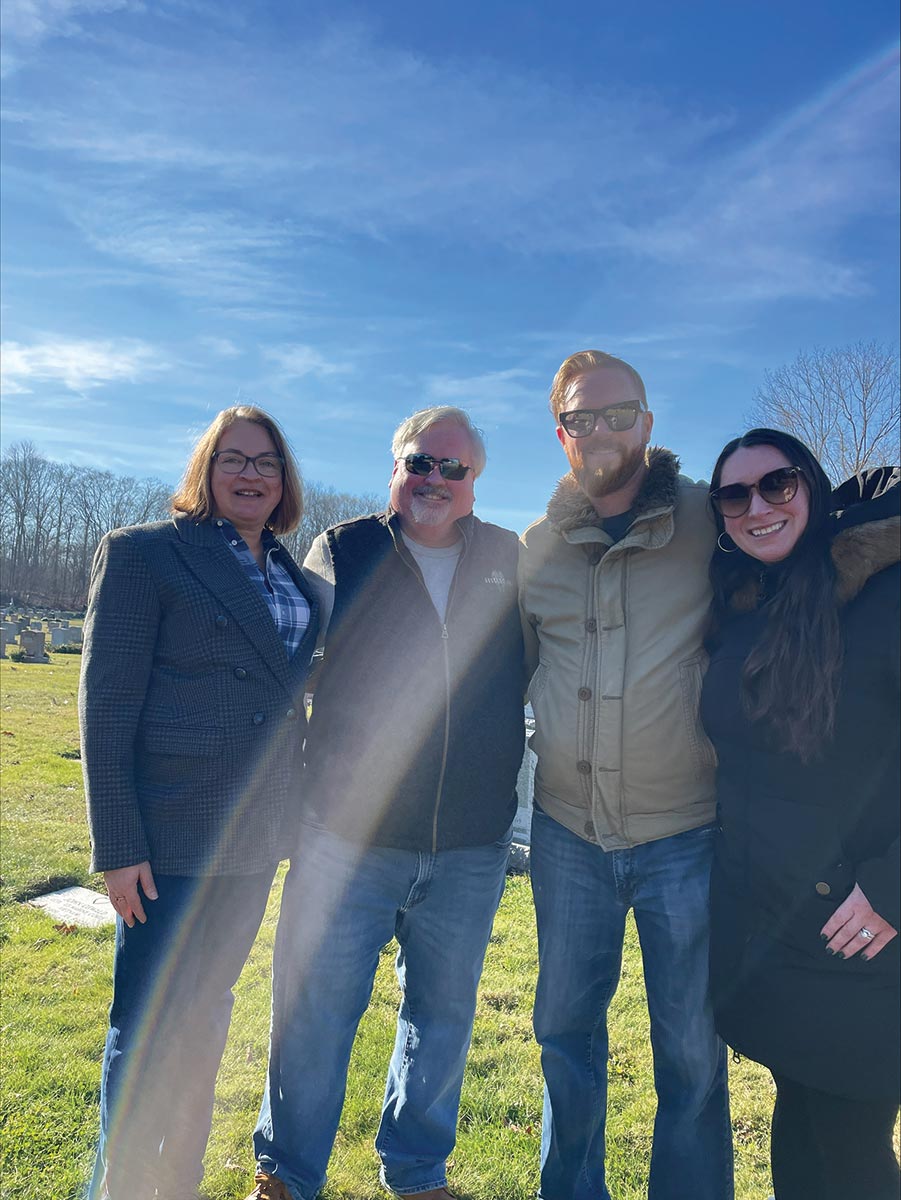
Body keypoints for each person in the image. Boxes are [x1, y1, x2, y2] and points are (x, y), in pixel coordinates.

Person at [245, 406, 524, 1200]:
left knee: (440, 1021)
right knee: (314, 1014)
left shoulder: (510, 558)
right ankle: (288, 1173)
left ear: (475, 482)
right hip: (347, 835)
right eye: (418, 463)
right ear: (394, 468)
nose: (433, 480)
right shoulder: (343, 550)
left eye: (452, 469)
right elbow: (284, 663)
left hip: (468, 842)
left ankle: (417, 1170)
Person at [80, 406, 319, 1200]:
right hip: (166, 835)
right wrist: (117, 844)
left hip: (252, 841)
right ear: (205, 472)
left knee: (207, 1016)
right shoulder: (147, 555)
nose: (251, 475)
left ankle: (174, 1180)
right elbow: (106, 707)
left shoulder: (294, 575)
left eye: (267, 464)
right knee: (147, 1022)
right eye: (233, 460)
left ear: (285, 482)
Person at [519, 350, 733, 1200]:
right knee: (564, 1033)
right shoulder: (537, 547)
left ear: (647, 421)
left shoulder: (710, 520)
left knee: (689, 1047)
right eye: (581, 418)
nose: (600, 431)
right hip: (567, 832)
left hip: (684, 831)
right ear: (560, 432)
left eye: (618, 414)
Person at [701, 429, 900, 1200]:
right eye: (734, 494)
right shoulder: (746, 605)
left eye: (776, 484)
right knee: (800, 1132)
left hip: (860, 933)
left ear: (812, 489)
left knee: (850, 1151)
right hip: (771, 923)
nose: (756, 507)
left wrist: (890, 887)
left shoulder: (886, 597)